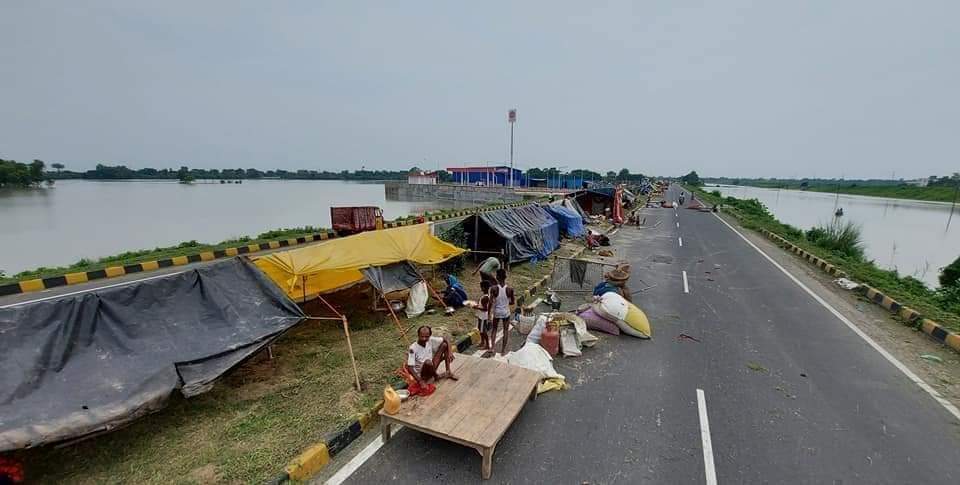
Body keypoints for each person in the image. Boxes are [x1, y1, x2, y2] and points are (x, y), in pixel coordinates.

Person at [488, 269, 515, 354]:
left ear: (497, 277)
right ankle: (503, 350)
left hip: (497, 312)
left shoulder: (493, 289)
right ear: (505, 277)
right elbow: (512, 302)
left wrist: (489, 312)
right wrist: (506, 302)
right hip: (506, 312)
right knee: (505, 331)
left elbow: (490, 302)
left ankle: (492, 347)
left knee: (494, 330)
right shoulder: (510, 289)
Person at [476, 280, 492, 350]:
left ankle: (487, 345)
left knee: (483, 331)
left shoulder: (485, 297)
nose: (480, 288)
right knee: (480, 330)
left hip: (483, 317)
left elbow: (485, 309)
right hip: (480, 315)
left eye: (481, 287)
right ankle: (482, 342)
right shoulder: (485, 296)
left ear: (484, 288)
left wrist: (476, 307)